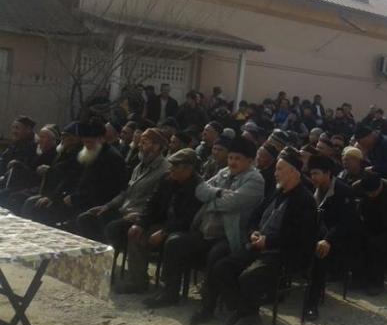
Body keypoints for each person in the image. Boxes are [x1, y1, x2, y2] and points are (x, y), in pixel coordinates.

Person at [200, 148, 317, 325]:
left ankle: (246, 315)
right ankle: (245, 312)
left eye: (280, 169)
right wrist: (253, 232)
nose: (275, 173)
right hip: (260, 246)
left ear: (294, 172)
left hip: (284, 253)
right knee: (223, 267)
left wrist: (268, 242)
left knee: (250, 276)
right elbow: (256, 216)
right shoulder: (276, 191)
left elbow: (298, 236)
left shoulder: (305, 200)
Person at [145, 136, 264, 309]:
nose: (232, 162)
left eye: (238, 159)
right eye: (231, 157)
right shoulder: (224, 172)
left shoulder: (255, 180)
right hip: (207, 230)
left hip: (230, 236)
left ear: (250, 160)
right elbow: (200, 191)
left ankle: (207, 306)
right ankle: (169, 293)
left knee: (215, 255)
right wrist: (218, 193)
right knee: (174, 242)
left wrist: (212, 201)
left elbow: (232, 203)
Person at [113, 148, 203, 294]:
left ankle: (168, 289)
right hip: (162, 222)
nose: (171, 169)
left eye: (176, 166)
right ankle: (137, 280)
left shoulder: (198, 187)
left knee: (172, 243)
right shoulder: (167, 179)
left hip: (181, 229)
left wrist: (164, 232)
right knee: (135, 233)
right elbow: (152, 204)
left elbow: (188, 219)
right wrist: (141, 223)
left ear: (188, 169)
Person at [77, 128, 170, 243]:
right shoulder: (139, 166)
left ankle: (106, 251)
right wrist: (107, 206)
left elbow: (158, 202)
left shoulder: (165, 170)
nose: (139, 145)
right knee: (86, 218)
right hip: (125, 210)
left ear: (156, 146)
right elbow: (127, 192)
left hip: (139, 215)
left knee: (112, 227)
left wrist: (140, 215)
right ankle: (96, 250)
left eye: (144, 143)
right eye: (140, 142)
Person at [306, 154, 359, 319]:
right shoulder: (313, 189)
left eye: (316, 173)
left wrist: (328, 240)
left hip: (339, 239)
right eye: (311, 174)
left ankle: (312, 303)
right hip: (317, 234)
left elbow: (346, 223)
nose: (313, 177)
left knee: (319, 255)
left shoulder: (343, 191)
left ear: (328, 173)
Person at [21, 122, 82, 221]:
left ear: (75, 139)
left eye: (66, 136)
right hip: (51, 191)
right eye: (62, 136)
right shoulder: (63, 153)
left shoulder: (77, 156)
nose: (63, 139)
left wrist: (51, 197)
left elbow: (68, 179)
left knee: (33, 204)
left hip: (64, 194)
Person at [0, 123, 58, 211]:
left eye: (43, 137)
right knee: (4, 193)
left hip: (37, 187)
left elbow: (37, 175)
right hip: (25, 183)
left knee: (13, 196)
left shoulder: (53, 155)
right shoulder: (36, 152)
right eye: (40, 137)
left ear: (53, 140)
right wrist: (19, 164)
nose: (40, 140)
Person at [0, 115, 38, 190]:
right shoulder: (14, 145)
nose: (14, 131)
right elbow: (3, 161)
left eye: (17, 128)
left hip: (18, 188)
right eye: (13, 128)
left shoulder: (34, 148)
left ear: (28, 130)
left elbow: (31, 172)